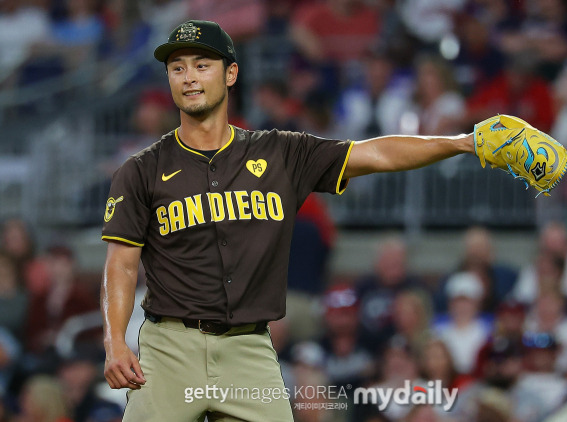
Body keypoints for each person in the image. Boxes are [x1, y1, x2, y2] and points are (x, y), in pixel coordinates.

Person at [100, 19, 515, 422]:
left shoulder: (280, 153)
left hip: (248, 347)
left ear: (231, 74)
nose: (189, 77)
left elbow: (376, 153)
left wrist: (464, 142)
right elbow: (121, 262)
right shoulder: (140, 170)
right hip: (171, 347)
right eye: (177, 68)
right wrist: (115, 340)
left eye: (201, 65)